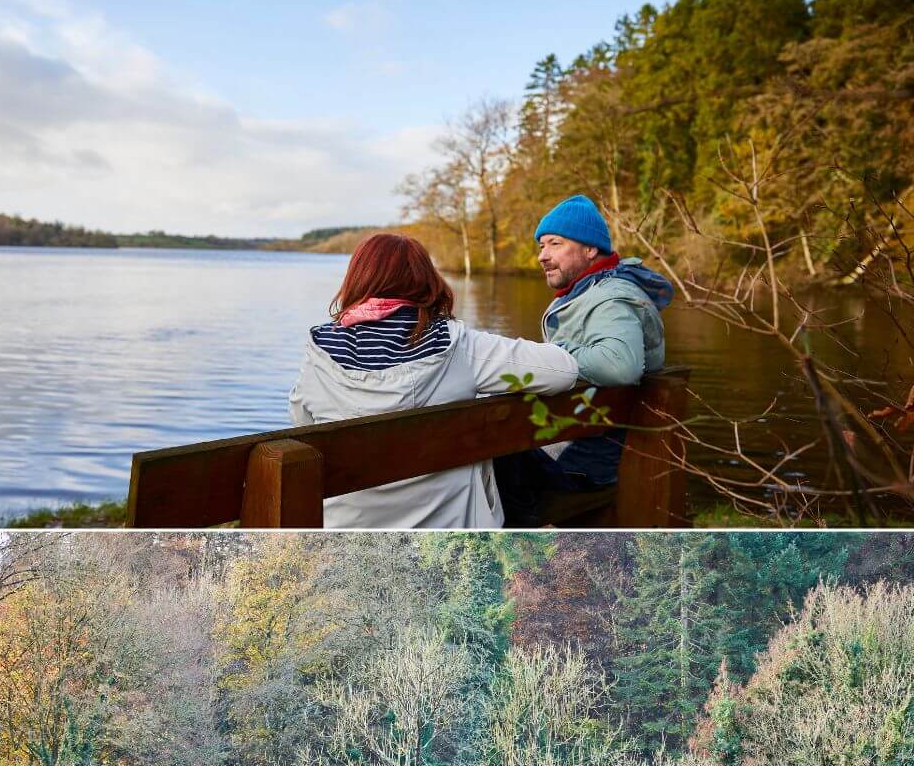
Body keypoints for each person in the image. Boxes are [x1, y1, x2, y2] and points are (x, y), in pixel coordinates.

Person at [289, 232, 582, 528]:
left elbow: (302, 426)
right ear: (425, 281)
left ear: (357, 279)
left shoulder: (319, 354)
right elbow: (564, 370)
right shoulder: (460, 345)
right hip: (451, 537)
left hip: (346, 535)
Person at [495, 194, 674, 525]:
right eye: (541, 246)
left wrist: (549, 355)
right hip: (581, 445)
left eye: (555, 244)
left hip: (586, 463)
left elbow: (620, 365)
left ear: (590, 250)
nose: (542, 256)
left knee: (485, 450)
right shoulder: (589, 293)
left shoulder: (609, 298)